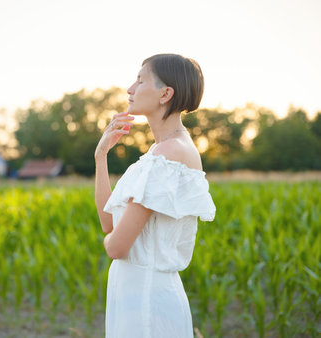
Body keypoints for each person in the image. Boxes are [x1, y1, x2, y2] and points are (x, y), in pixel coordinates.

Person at [94, 53, 216, 338]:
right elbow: (109, 224)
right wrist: (101, 157)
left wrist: (108, 241)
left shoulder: (169, 155)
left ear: (166, 93)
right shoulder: (161, 152)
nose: (130, 89)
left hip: (148, 303)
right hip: (136, 297)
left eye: (140, 80)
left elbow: (115, 247)